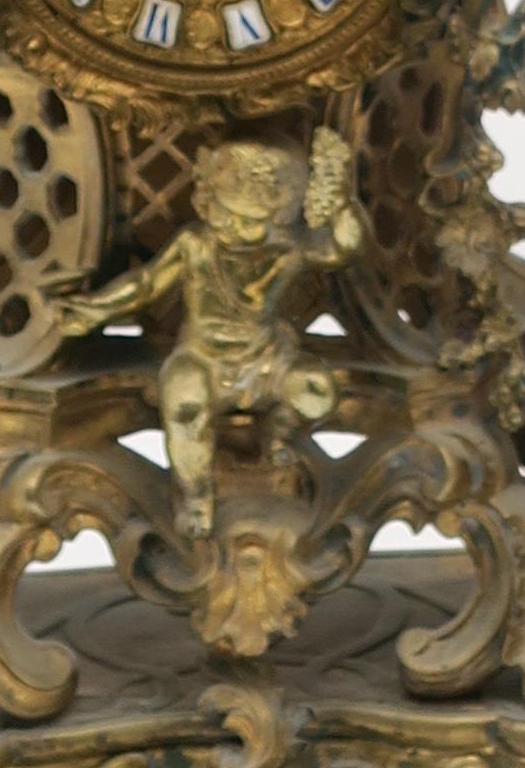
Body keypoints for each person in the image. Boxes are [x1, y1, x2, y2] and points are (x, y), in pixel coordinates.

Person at [54, 132, 363, 539]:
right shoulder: (197, 244)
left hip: (268, 359)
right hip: (202, 357)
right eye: (228, 214)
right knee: (183, 406)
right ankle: (196, 491)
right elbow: (146, 283)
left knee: (319, 390)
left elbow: (340, 249)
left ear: (279, 216)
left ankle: (280, 432)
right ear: (209, 204)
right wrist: (95, 310)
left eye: (253, 222)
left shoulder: (287, 249)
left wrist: (341, 200)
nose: (237, 228)